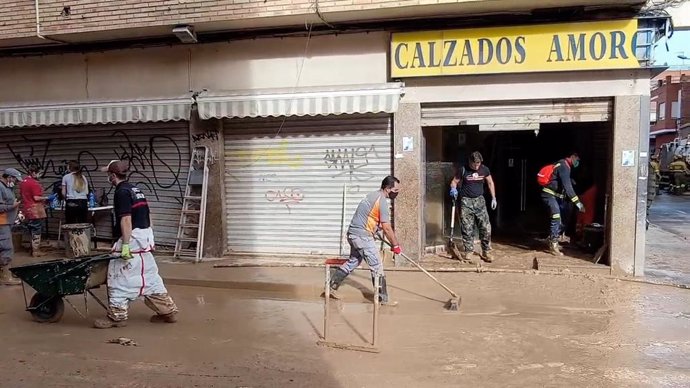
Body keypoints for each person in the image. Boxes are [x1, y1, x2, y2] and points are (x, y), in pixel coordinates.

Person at [93, 160, 178, 329]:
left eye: (108, 175)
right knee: (149, 277)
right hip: (144, 239)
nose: (107, 178)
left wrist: (125, 245)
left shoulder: (121, 192)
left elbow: (125, 219)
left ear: (112, 175)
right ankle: (167, 311)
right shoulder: (135, 189)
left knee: (118, 277)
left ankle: (117, 317)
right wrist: (150, 237)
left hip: (132, 239)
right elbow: (148, 213)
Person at [327, 176, 402, 306]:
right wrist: (396, 245)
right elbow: (387, 228)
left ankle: (330, 287)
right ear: (388, 188)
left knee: (353, 261)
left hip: (353, 234)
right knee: (377, 266)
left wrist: (375, 230)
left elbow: (369, 218)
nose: (397, 192)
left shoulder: (372, 196)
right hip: (362, 237)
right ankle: (382, 299)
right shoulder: (382, 201)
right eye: (395, 190)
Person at [449, 151, 497, 263]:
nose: (476, 166)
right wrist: (453, 189)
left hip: (480, 201)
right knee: (467, 227)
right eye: (474, 164)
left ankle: (486, 251)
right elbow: (454, 181)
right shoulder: (463, 170)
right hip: (466, 201)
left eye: (478, 163)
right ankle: (469, 250)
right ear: (470, 161)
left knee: (485, 227)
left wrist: (493, 197)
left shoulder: (484, 169)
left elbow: (490, 182)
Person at [541, 153, 586, 256]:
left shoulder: (562, 165)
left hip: (554, 195)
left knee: (560, 221)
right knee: (556, 216)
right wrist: (578, 204)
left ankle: (552, 238)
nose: (577, 163)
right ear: (572, 157)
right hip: (548, 194)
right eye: (577, 160)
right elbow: (568, 187)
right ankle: (553, 245)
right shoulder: (564, 166)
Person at [19, 164, 49, 257]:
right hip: (35, 210)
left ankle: (31, 249)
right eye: (39, 173)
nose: (40, 175)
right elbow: (36, 197)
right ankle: (36, 251)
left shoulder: (23, 182)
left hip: (26, 209)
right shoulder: (34, 183)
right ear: (33, 173)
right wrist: (47, 197)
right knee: (36, 229)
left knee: (30, 229)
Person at [0, 168, 23, 286]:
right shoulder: (0, 187)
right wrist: (12, 206)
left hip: (6, 222)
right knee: (6, 248)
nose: (16, 183)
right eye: (15, 180)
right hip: (1, 222)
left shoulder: (7, 187)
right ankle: (5, 277)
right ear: (9, 177)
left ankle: (5, 273)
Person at [646, 155, 661, 229]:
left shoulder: (648, 164)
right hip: (652, 181)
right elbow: (657, 172)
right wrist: (659, 176)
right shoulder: (655, 164)